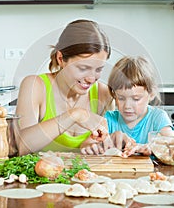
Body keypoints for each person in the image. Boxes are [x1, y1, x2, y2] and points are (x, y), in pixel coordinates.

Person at [15, 19, 114, 155]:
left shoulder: (103, 93)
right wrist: (75, 114)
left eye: (98, 70)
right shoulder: (35, 86)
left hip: (88, 175)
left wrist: (95, 144)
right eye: (83, 68)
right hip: (41, 175)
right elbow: (22, 146)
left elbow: (112, 145)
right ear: (61, 59)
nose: (91, 78)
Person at [81, 56, 174, 156]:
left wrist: (152, 148)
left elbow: (173, 145)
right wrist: (92, 147)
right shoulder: (109, 119)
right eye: (121, 98)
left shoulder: (158, 118)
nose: (127, 106)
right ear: (114, 94)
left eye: (136, 99)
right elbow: (86, 145)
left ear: (151, 94)